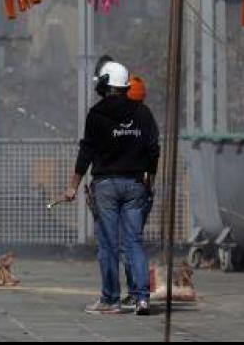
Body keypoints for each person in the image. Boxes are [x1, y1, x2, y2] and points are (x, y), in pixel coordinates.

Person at [63, 58, 160, 316]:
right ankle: (142, 298)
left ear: (105, 84)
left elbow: (86, 152)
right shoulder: (143, 113)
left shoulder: (96, 114)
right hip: (136, 185)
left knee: (108, 243)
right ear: (125, 85)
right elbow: (153, 149)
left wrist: (73, 186)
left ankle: (111, 299)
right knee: (134, 242)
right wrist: (150, 178)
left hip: (106, 185)